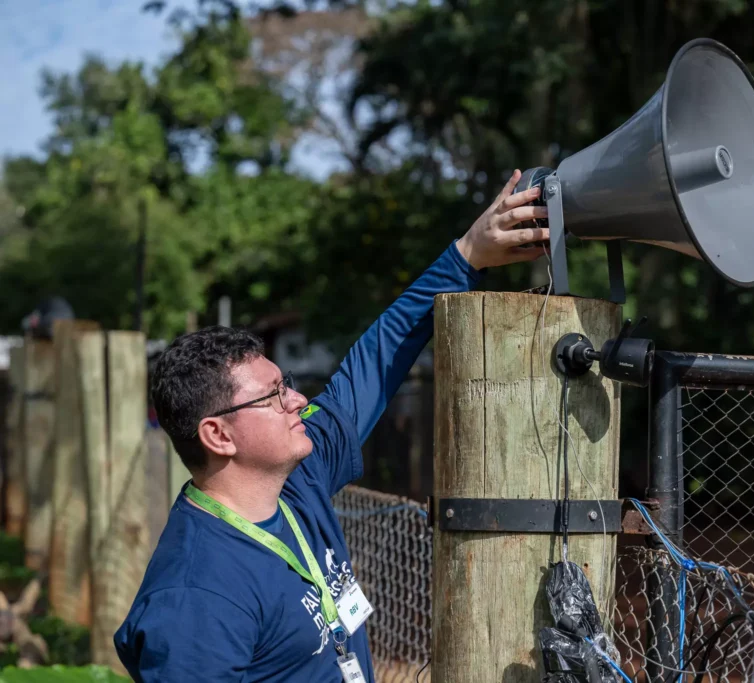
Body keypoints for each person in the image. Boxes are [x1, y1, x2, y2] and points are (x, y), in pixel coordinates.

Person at [113, 171, 549, 682]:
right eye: (274, 396)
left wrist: (467, 254)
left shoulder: (297, 479)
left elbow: (371, 363)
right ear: (219, 435)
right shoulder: (196, 597)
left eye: (287, 383)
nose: (298, 400)